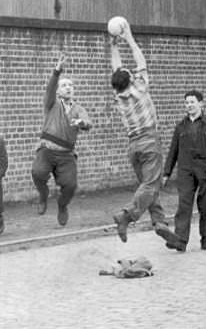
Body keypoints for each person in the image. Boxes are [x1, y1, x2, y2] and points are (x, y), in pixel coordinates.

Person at [108, 20, 178, 248]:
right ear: (130, 79)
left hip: (133, 146)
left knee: (149, 186)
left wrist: (113, 46)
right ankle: (126, 216)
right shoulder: (140, 88)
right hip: (149, 141)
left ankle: (160, 222)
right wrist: (128, 38)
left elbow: (117, 69)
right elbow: (140, 60)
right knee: (151, 184)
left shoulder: (119, 96)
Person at [31, 55, 93, 226]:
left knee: (71, 186)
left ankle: (62, 205)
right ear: (58, 91)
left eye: (70, 85)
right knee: (37, 172)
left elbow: (88, 123)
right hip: (47, 150)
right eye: (64, 86)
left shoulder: (79, 109)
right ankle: (43, 196)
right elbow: (49, 88)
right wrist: (57, 72)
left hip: (66, 154)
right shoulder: (51, 104)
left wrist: (82, 123)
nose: (68, 88)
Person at [162, 90, 206, 252]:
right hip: (186, 170)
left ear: (201, 104)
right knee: (184, 205)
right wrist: (166, 173)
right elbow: (173, 151)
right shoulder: (180, 127)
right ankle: (180, 240)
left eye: (192, 102)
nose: (189, 105)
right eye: (187, 102)